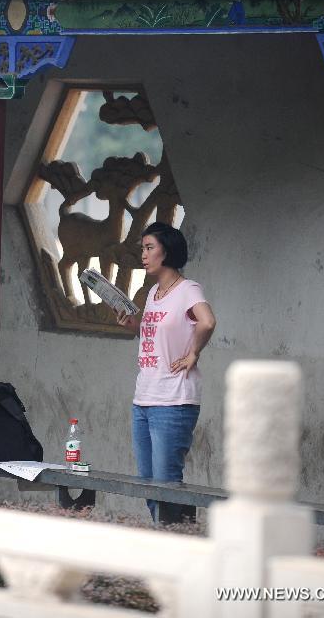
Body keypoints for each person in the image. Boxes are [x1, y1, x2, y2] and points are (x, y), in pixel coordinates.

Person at [116, 222, 217, 522]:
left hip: (174, 400)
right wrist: (135, 326)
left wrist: (193, 353)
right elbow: (157, 340)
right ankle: (178, 531)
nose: (143, 255)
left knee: (165, 482)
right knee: (148, 481)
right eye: (142, 249)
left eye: (149, 248)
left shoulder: (188, 289)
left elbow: (207, 322)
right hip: (144, 399)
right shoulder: (153, 294)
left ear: (167, 251)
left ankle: (175, 542)